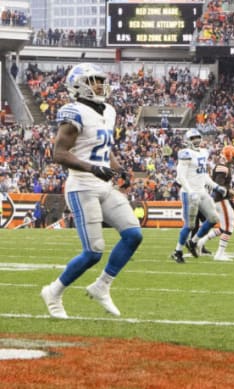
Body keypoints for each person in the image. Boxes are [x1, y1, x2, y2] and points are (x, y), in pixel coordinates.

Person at [40, 63, 143, 319]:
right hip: (82, 186)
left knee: (133, 235)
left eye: (100, 80)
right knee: (93, 252)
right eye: (93, 80)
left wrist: (119, 170)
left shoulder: (109, 110)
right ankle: (53, 291)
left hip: (103, 185)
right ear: (78, 84)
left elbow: (103, 149)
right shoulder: (73, 112)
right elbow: (59, 154)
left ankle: (101, 286)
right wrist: (93, 169)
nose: (99, 85)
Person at [171, 129, 226, 263]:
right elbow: (181, 177)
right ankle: (178, 251)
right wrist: (191, 192)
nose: (196, 140)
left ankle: (193, 242)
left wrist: (216, 186)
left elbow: (203, 175)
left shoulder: (203, 152)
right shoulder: (185, 154)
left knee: (213, 218)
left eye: (197, 138)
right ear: (187, 140)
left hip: (201, 191)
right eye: (193, 138)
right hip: (189, 193)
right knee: (189, 225)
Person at [195, 145, 234, 262]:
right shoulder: (222, 168)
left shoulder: (221, 166)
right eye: (233, 158)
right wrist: (231, 193)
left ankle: (201, 241)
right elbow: (219, 187)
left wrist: (230, 193)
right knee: (229, 228)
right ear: (229, 156)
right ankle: (219, 254)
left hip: (220, 200)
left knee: (223, 228)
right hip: (221, 200)